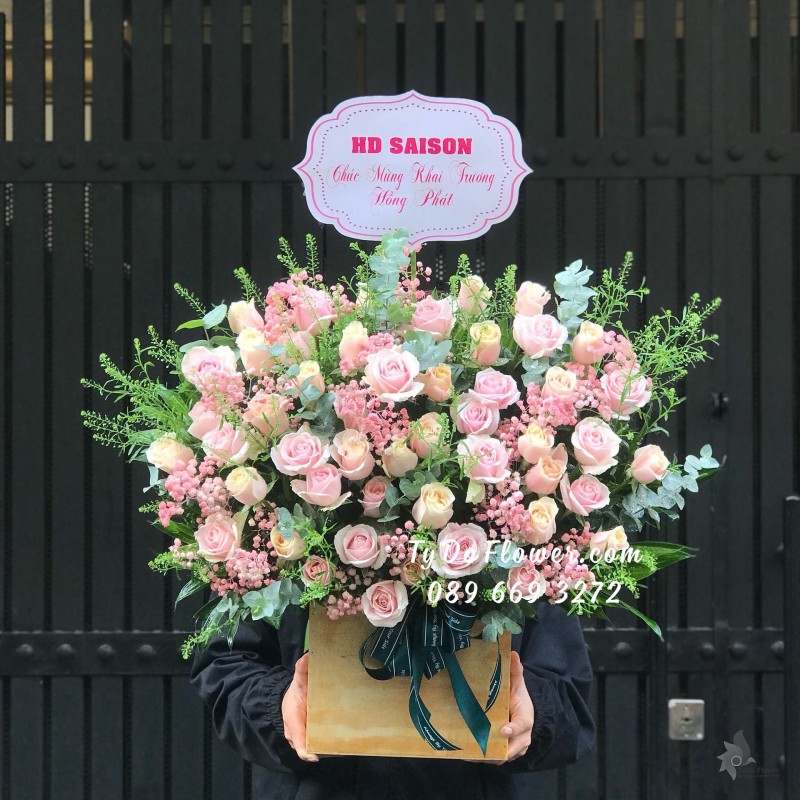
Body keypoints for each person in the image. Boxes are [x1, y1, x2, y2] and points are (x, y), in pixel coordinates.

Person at [190, 600, 595, 800]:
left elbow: (569, 699)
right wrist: (281, 708)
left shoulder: (521, 521)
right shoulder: (273, 517)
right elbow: (226, 665)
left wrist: (527, 713)